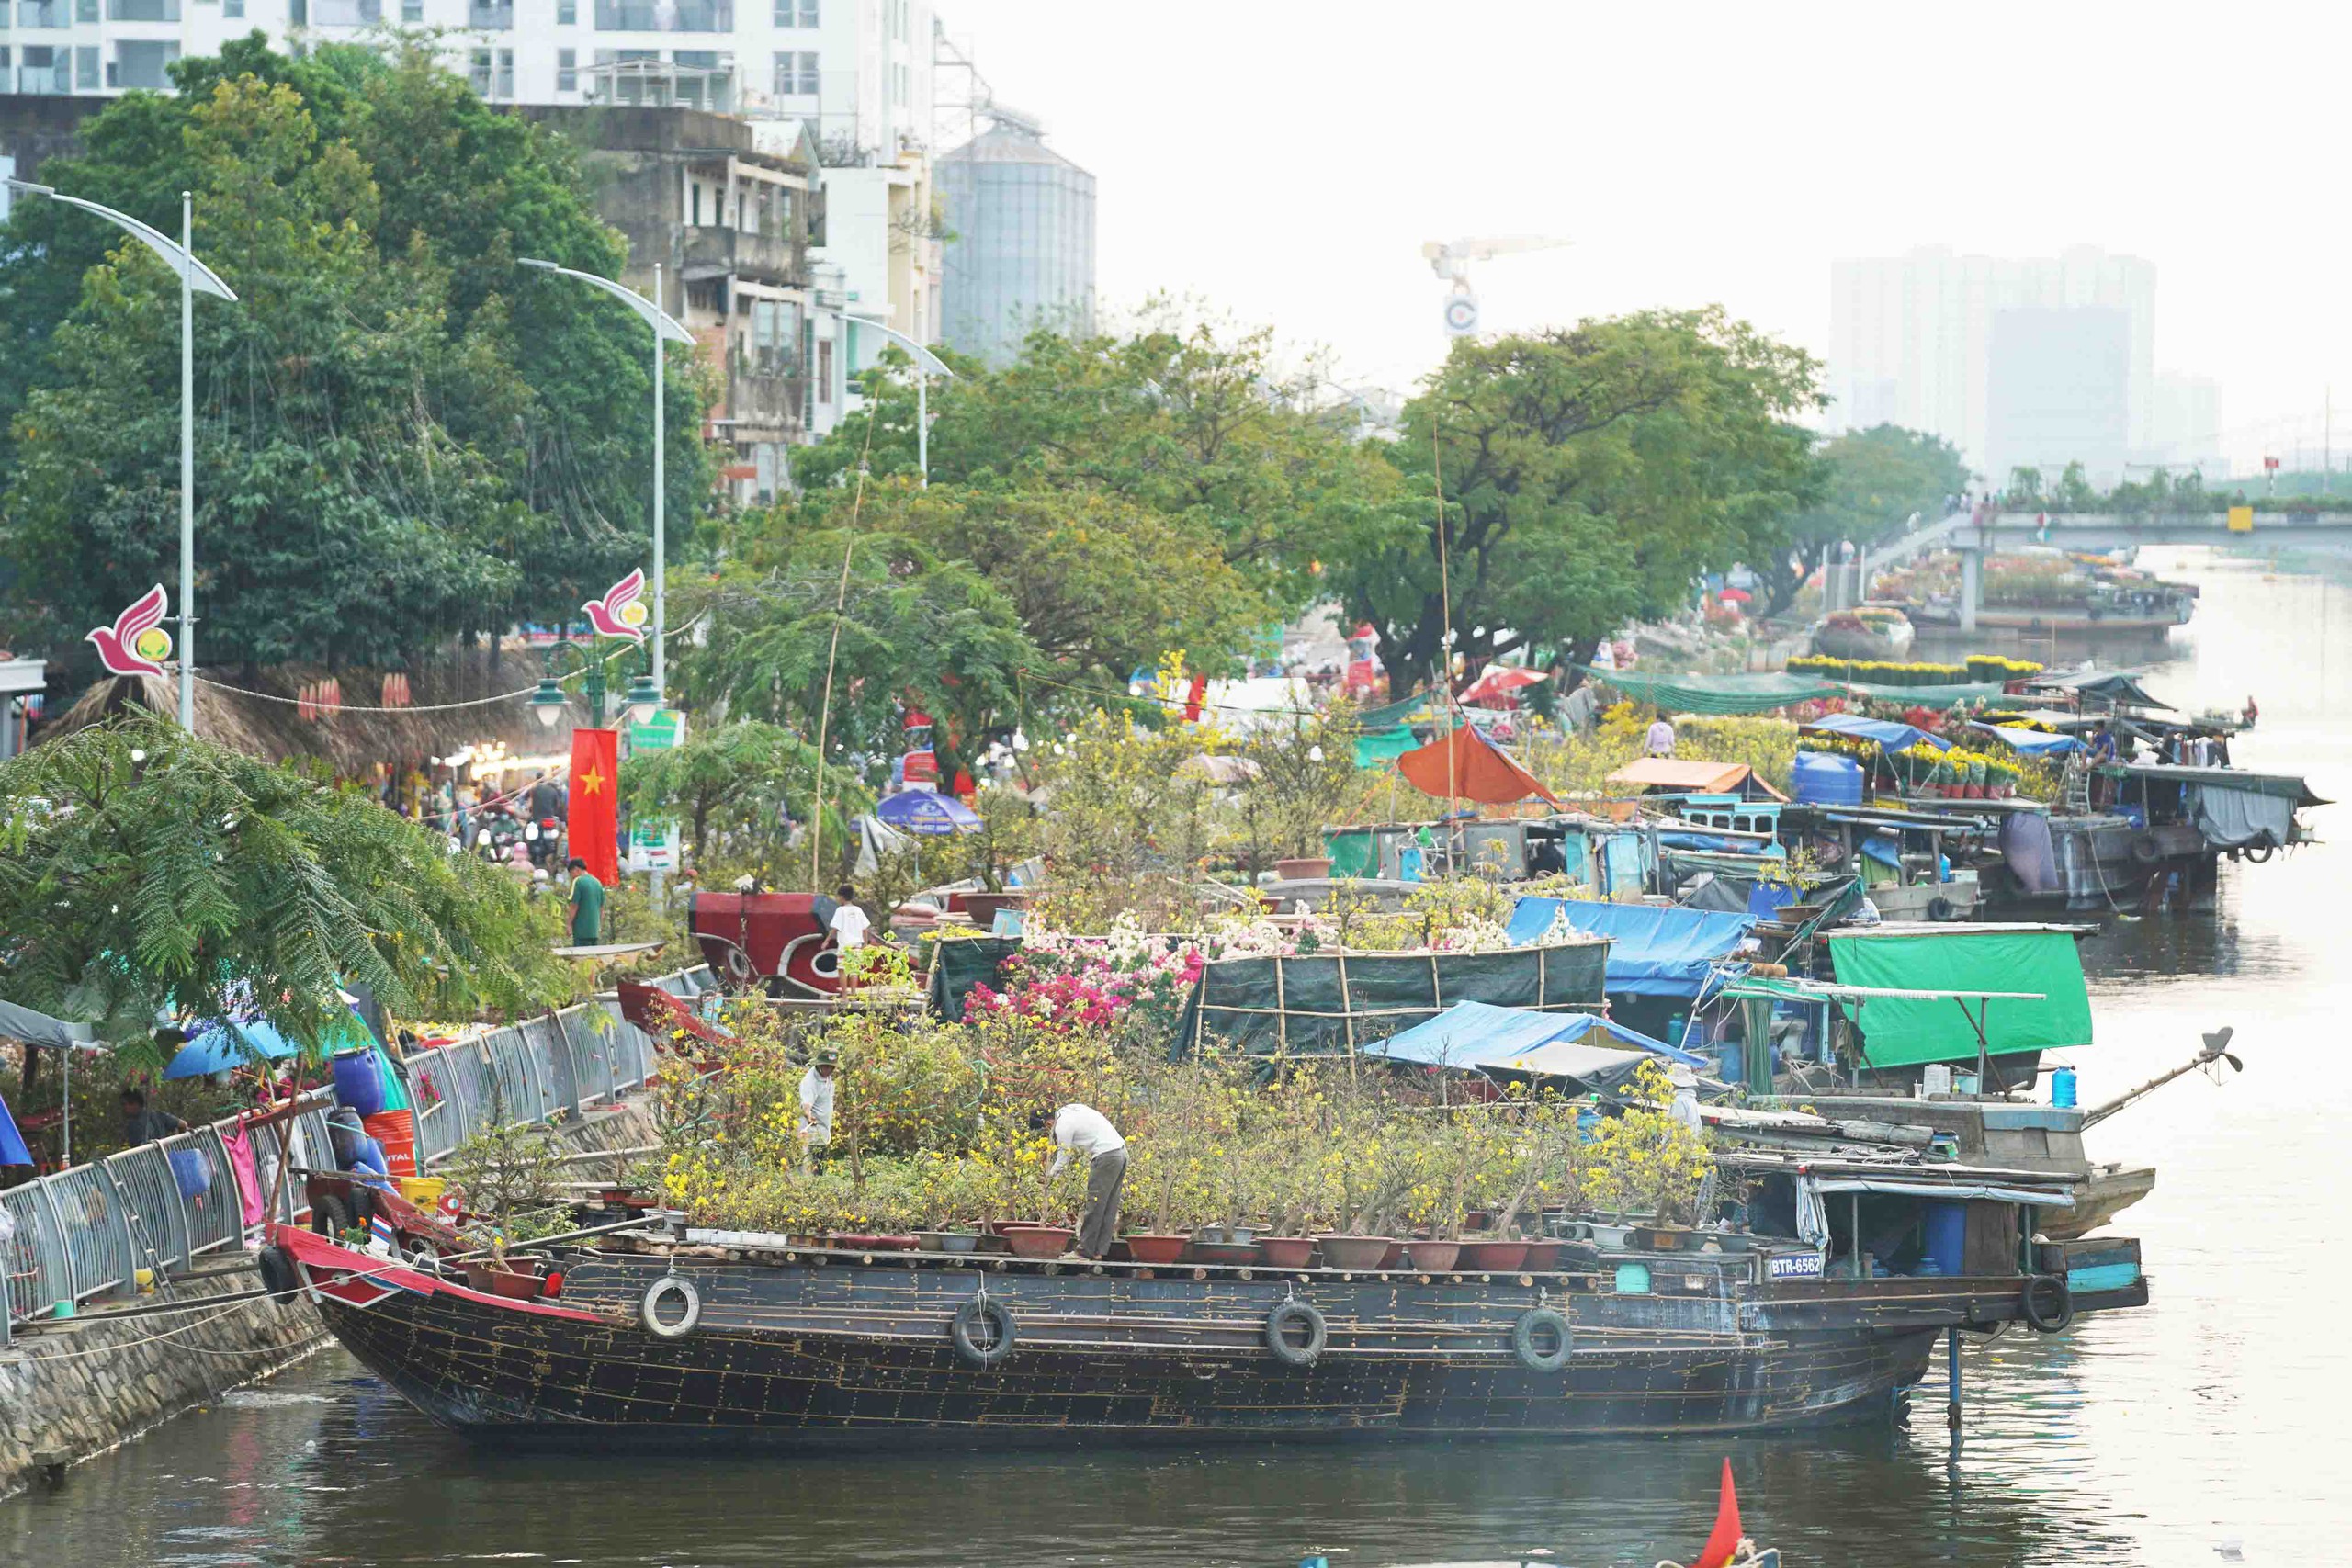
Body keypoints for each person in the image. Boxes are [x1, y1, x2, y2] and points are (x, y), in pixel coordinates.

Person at [1032, 1103, 1126, 1259]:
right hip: (1121, 1152)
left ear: (1048, 1123)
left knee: (1094, 1205)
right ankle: (1098, 1252)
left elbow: (1064, 1157)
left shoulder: (1062, 1125)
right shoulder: (1071, 1109)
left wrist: (1049, 1179)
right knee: (1108, 1206)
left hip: (1106, 1156)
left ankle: (1083, 1251)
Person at [798, 1049, 838, 1161]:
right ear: (819, 1065)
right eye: (826, 1067)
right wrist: (809, 1115)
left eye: (832, 1067)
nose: (829, 1070)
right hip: (812, 1134)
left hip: (823, 1132)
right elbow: (806, 1104)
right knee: (811, 1170)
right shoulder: (810, 1081)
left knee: (820, 1169)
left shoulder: (827, 1076)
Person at [120, 1087, 186, 1147]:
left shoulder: (134, 1124)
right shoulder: (158, 1114)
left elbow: (138, 1147)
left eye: (124, 1104)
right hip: (165, 1155)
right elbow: (183, 1124)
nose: (123, 1108)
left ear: (135, 1104)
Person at [566, 856, 605, 947]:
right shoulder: (597, 883)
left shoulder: (578, 881)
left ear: (576, 869)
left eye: (571, 873)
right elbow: (601, 908)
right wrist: (599, 926)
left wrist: (568, 924)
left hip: (581, 930)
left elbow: (574, 905)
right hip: (594, 930)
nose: (572, 877)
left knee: (581, 958)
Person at [827, 884, 871, 950]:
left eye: (838, 897)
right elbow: (865, 929)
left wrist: (826, 941)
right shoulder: (858, 910)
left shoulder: (840, 910)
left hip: (844, 949)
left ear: (842, 897)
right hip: (857, 949)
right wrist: (865, 944)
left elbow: (835, 929)